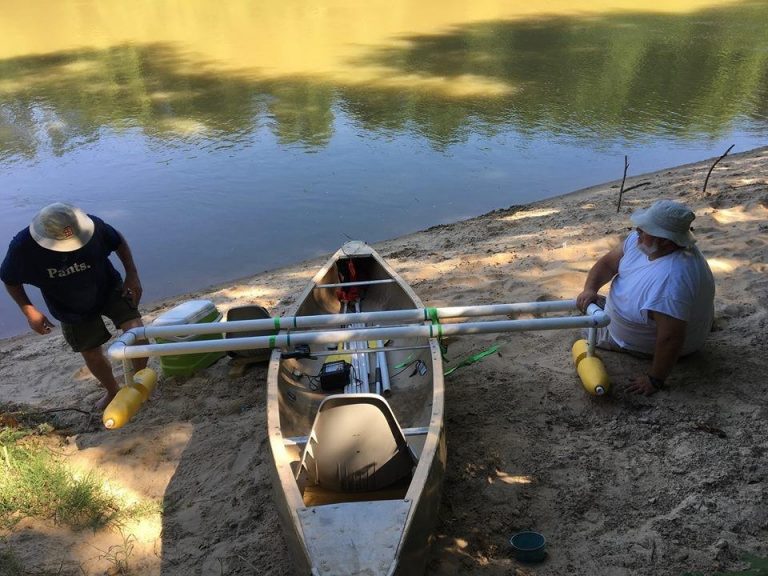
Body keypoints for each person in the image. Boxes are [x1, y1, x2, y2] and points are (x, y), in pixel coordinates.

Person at [1, 203, 148, 410]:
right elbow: (10, 279)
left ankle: (138, 383)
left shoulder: (92, 226)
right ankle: (113, 391)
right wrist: (29, 310)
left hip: (108, 287)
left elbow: (118, 241)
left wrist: (132, 275)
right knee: (91, 352)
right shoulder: (23, 247)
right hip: (69, 305)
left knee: (137, 333)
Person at [576, 199, 715, 396]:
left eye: (644, 230)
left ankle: (631, 351)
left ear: (665, 240)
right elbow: (607, 263)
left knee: (580, 327)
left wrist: (654, 379)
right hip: (658, 317)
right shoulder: (643, 242)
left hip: (651, 342)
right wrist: (590, 289)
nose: (637, 232)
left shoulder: (671, 280)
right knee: (587, 302)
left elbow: (671, 337)